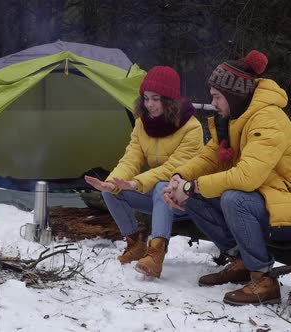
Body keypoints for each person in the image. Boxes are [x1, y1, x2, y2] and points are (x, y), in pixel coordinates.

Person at [162, 50, 291, 306]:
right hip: (267, 201)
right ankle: (241, 261)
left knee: (233, 198)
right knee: (195, 198)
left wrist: (191, 186)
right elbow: (210, 158)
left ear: (234, 94)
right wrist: (180, 178)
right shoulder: (234, 118)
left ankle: (264, 278)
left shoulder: (267, 118)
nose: (213, 103)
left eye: (217, 97)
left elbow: (248, 177)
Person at [84, 66, 203, 279]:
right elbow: (132, 157)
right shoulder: (142, 123)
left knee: (161, 185)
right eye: (146, 98)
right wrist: (113, 182)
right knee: (110, 190)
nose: (149, 104)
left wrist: (136, 183)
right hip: (159, 198)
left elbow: (172, 169)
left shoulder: (191, 127)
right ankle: (134, 244)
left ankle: (156, 254)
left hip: (186, 199)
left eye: (155, 99)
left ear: (169, 100)